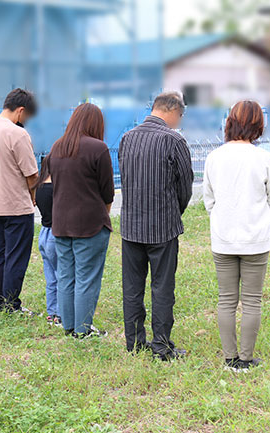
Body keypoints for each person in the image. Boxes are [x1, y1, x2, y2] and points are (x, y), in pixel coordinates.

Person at [202, 100, 270, 372]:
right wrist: (261, 225)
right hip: (256, 240)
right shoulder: (265, 159)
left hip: (223, 238)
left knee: (226, 299)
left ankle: (229, 357)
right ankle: (245, 360)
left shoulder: (214, 157)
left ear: (230, 122)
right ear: (259, 125)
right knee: (252, 301)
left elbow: (208, 200)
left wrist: (222, 221)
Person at [118, 91, 194, 360]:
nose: (179, 121)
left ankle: (135, 343)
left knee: (132, 288)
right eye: (181, 116)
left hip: (131, 227)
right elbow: (185, 187)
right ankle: (161, 346)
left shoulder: (127, 138)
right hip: (162, 226)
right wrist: (174, 211)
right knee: (162, 287)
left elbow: (125, 179)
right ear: (173, 110)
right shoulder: (173, 140)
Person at [49, 103, 114, 338]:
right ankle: (83, 330)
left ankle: (68, 326)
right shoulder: (98, 148)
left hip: (61, 224)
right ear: (96, 124)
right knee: (87, 277)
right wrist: (103, 214)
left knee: (66, 275)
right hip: (91, 224)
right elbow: (108, 193)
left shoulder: (57, 147)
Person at [0, 88, 39, 314]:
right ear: (21, 111)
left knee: (0, 253)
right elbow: (32, 174)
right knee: (16, 257)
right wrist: (34, 196)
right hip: (16, 205)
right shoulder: (17, 134)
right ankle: (11, 304)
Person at [35, 155, 61, 326]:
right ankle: (60, 313)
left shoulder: (39, 187)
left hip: (43, 234)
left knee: (50, 278)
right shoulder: (57, 188)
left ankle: (51, 312)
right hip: (56, 235)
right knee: (62, 276)